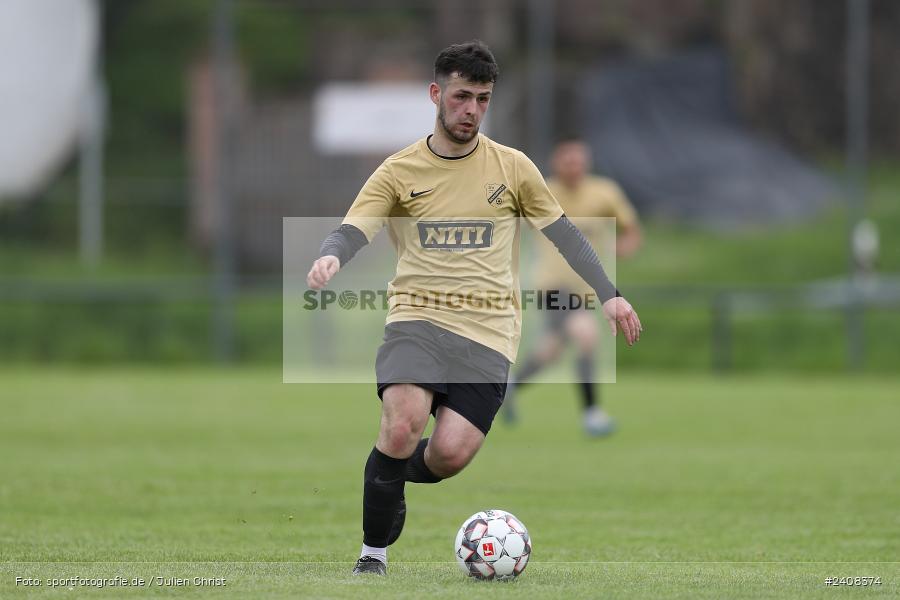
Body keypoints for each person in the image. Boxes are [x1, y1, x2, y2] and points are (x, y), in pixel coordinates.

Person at [306, 41, 642, 576]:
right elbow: (356, 227)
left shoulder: (512, 168)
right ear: (436, 94)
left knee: (449, 456)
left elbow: (567, 236)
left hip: (489, 333)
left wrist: (610, 293)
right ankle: (373, 556)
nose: (471, 110)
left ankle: (386, 475)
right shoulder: (399, 170)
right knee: (401, 424)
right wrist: (330, 256)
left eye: (482, 99)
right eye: (462, 97)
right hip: (416, 319)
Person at [503, 139, 643, 436]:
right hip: (552, 286)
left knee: (550, 351)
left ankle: (508, 387)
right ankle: (592, 413)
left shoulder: (604, 192)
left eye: (579, 161)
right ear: (556, 164)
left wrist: (624, 246)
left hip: (585, 290)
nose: (574, 167)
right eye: (567, 161)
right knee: (586, 334)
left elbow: (631, 229)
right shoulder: (543, 191)